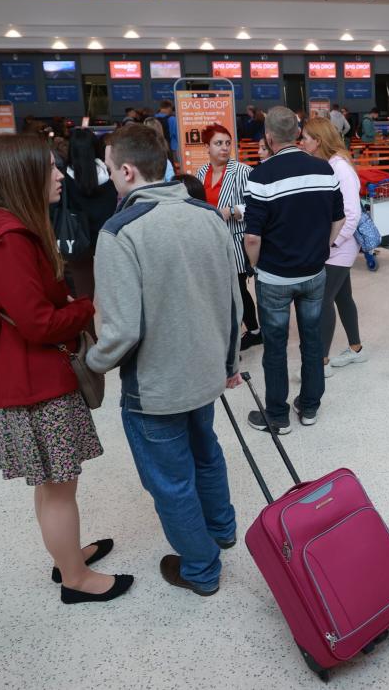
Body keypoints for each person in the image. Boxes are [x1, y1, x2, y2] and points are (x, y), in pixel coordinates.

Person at [0, 133, 129, 604]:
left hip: (28, 374)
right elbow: (38, 323)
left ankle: (68, 554)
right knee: (58, 488)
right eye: (50, 168)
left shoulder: (3, 228)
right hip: (35, 381)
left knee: (56, 484)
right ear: (21, 176)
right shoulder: (8, 239)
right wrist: (87, 308)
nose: (59, 175)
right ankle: (75, 579)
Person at [86, 125, 241, 598]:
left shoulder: (119, 232)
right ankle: (223, 529)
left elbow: (121, 331)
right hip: (206, 371)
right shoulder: (207, 215)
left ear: (127, 170)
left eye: (110, 169)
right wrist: (229, 361)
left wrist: (91, 362)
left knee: (171, 481)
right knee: (206, 454)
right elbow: (234, 299)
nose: (110, 177)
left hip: (154, 386)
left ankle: (200, 568)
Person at [243, 106, 344, 431]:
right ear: (298, 134)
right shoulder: (324, 169)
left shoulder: (259, 176)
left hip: (274, 276)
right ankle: (310, 407)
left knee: (275, 346)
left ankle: (278, 416)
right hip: (314, 273)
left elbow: (253, 237)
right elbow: (339, 218)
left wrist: (256, 267)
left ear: (269, 137)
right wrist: (324, 248)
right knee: (311, 342)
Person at [299, 117, 366, 378]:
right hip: (331, 244)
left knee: (323, 300)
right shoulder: (326, 164)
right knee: (342, 297)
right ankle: (356, 349)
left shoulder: (340, 168)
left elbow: (352, 213)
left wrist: (332, 243)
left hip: (339, 246)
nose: (301, 142)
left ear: (318, 141)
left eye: (305, 138)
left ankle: (321, 361)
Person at [194, 123, 262, 350]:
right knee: (218, 290)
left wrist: (231, 211)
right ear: (207, 147)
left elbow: (255, 206)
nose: (224, 148)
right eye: (218, 143)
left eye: (227, 143)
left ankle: (252, 330)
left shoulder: (243, 171)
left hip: (235, 240)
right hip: (209, 240)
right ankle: (240, 330)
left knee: (237, 289)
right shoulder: (201, 173)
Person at [59, 128, 118, 301]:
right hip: (108, 240)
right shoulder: (111, 176)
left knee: (83, 293)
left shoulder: (64, 179)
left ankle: (88, 328)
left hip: (78, 241)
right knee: (114, 293)